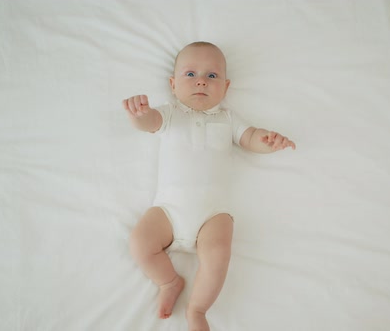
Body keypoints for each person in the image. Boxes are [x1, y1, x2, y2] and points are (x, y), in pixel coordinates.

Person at [124, 41, 296, 331]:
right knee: (140, 243)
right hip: (167, 210)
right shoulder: (169, 113)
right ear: (173, 84)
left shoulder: (228, 118)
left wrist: (267, 141)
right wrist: (139, 115)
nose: (201, 80)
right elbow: (149, 123)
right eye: (190, 74)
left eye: (212, 76)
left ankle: (198, 309)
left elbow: (250, 137)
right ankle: (169, 281)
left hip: (213, 215)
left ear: (226, 88)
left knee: (218, 255)